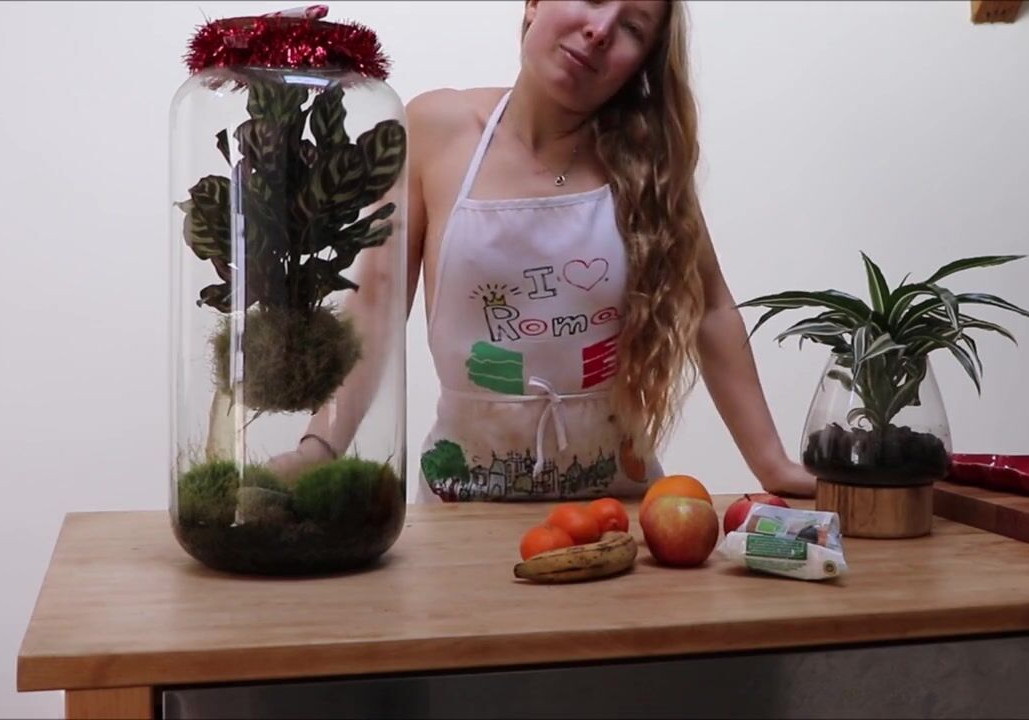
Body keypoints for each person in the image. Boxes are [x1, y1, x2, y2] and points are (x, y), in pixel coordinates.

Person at [273, 0, 816, 502]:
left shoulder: (650, 162)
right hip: (463, 505)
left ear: (639, 64)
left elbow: (712, 308)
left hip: (621, 513)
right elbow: (377, 303)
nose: (600, 31)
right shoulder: (434, 128)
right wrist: (318, 448)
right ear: (534, 4)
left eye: (632, 27)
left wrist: (771, 464)